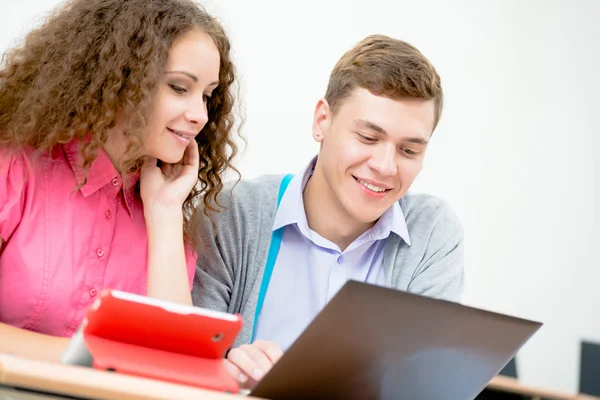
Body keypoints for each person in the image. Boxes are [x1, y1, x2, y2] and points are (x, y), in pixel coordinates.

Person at [193, 34, 465, 387]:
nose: (385, 166)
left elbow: (425, 385)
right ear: (322, 120)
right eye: (368, 138)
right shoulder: (231, 214)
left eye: (409, 151)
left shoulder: (431, 233)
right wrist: (223, 369)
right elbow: (188, 362)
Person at [0, 0, 238, 363]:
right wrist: (86, 356)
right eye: (179, 87)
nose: (200, 115)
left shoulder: (170, 218)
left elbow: (174, 360)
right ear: (122, 76)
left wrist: (164, 213)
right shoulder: (16, 165)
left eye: (206, 96)